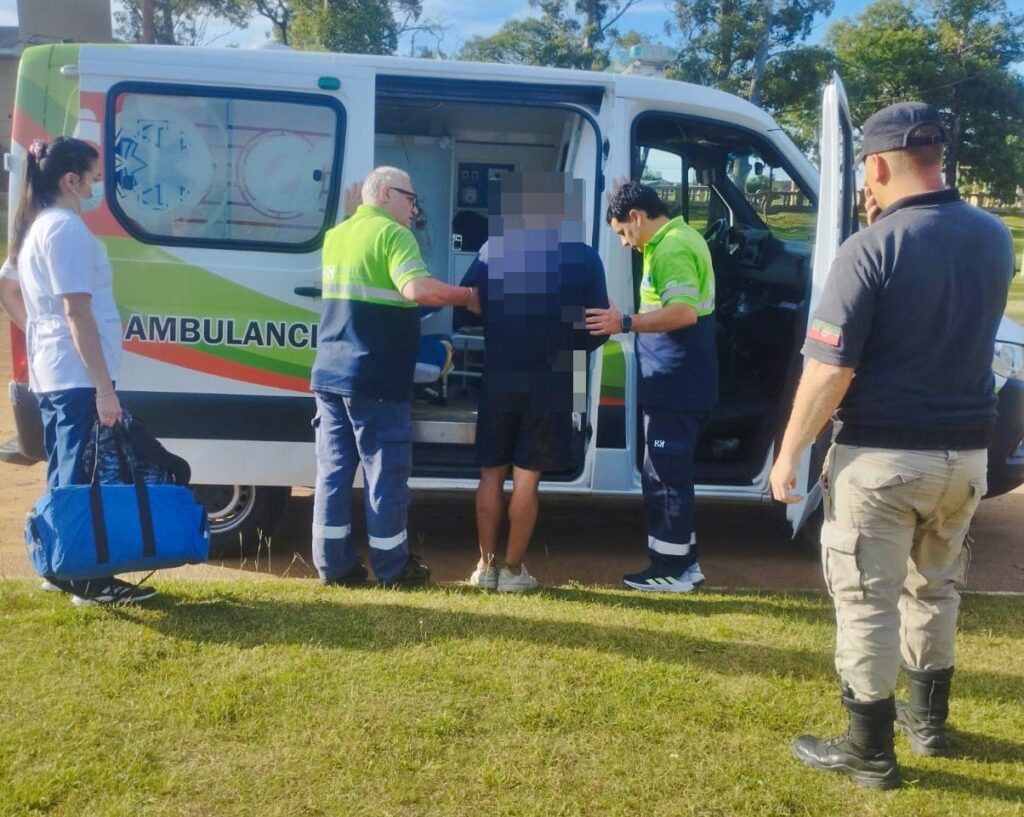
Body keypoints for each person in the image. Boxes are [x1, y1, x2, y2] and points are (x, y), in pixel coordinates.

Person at [769, 102, 1015, 789]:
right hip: (966, 457)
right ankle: (928, 724)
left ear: (876, 166)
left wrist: (789, 453)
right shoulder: (995, 236)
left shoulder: (870, 247)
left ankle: (869, 751)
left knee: (867, 601)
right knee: (935, 590)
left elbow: (830, 371)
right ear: (938, 158)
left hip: (881, 460)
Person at [0, 137, 156, 606]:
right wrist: (104, 389)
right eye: (93, 178)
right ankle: (88, 580)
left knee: (65, 469)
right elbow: (77, 311)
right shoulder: (65, 230)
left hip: (57, 371)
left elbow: (9, 290)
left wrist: (40, 330)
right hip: (77, 375)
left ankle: (61, 565)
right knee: (82, 475)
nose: (96, 187)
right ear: (71, 180)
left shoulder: (37, 226)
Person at [311, 166, 480, 588]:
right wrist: (470, 296)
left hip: (330, 374)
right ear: (386, 193)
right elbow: (417, 290)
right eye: (410, 199)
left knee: (333, 473)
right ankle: (393, 568)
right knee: (384, 474)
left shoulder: (337, 235)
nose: (414, 210)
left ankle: (333, 566)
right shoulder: (393, 235)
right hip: (376, 377)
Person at [464, 172, 609, 593]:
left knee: (490, 475)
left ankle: (484, 567)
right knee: (527, 478)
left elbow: (469, 300)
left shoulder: (494, 249)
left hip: (500, 376)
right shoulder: (585, 257)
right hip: (556, 378)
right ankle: (512, 571)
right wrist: (574, 349)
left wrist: (499, 320)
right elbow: (599, 323)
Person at [587, 182, 717, 592]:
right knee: (668, 472)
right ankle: (685, 563)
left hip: (676, 383)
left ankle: (670, 570)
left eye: (623, 233)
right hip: (678, 381)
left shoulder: (670, 248)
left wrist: (624, 323)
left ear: (637, 217)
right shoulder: (676, 239)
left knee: (665, 475)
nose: (625, 243)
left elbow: (683, 313)